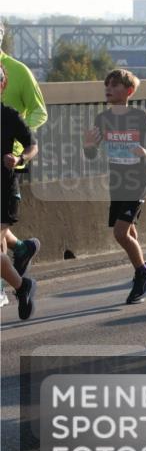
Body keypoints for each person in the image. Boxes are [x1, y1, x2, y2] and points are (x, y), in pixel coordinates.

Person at [82, 69, 146, 304]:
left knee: (120, 232)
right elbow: (91, 154)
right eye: (107, 84)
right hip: (117, 182)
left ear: (129, 91)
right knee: (128, 232)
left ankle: (143, 272)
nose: (109, 89)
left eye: (115, 85)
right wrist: (88, 145)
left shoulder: (139, 116)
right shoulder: (103, 119)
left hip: (137, 182)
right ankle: (142, 269)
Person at [0, 27, 47, 280]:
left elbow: (40, 111)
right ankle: (23, 247)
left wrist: (19, 143)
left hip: (9, 161)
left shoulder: (18, 71)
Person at [1, 62, 39, 319]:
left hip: (4, 189)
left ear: (2, 85)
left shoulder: (9, 116)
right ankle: (22, 248)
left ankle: (22, 285)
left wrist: (19, 159)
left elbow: (32, 146)